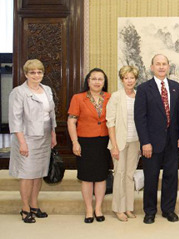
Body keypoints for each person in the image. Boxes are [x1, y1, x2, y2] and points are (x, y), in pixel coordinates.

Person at [134, 54, 179, 224]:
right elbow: (140, 118)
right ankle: (149, 211)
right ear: (152, 67)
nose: (161, 67)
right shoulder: (143, 89)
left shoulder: (176, 87)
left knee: (171, 177)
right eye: (158, 64)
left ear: (168, 67)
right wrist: (145, 142)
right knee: (151, 178)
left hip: (173, 142)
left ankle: (168, 210)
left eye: (164, 64)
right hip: (152, 143)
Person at [9, 59, 57, 223]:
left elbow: (51, 114)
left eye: (39, 72)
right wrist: (22, 142)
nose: (36, 75)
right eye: (32, 72)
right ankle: (25, 208)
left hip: (44, 135)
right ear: (26, 74)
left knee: (39, 174)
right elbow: (15, 119)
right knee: (27, 174)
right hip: (27, 136)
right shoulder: (18, 92)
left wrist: (53, 133)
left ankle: (34, 205)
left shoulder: (47, 90)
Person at [67, 68, 112, 223]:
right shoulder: (78, 98)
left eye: (100, 79)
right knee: (86, 178)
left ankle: (98, 208)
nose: (97, 82)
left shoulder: (110, 97)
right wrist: (75, 142)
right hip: (85, 142)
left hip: (104, 142)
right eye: (94, 79)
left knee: (101, 177)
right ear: (88, 81)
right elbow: (71, 121)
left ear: (104, 82)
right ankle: (88, 209)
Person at [106, 65, 141, 222]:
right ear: (122, 80)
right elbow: (110, 122)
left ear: (135, 79)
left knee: (129, 175)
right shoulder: (116, 97)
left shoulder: (139, 95)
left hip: (135, 141)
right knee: (119, 174)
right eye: (126, 78)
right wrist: (114, 145)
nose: (129, 80)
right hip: (119, 143)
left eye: (132, 78)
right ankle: (118, 209)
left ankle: (128, 207)